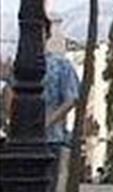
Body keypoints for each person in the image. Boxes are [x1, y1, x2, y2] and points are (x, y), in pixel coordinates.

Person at [39, 15, 81, 191]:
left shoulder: (61, 64)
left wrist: (48, 121)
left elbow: (71, 99)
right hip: (22, 139)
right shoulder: (20, 65)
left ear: (46, 35)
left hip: (51, 140)